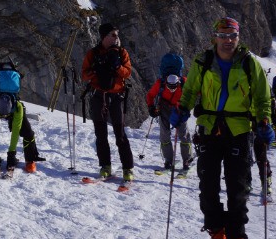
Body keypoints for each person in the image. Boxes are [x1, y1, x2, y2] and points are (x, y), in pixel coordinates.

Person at [173, 17, 271, 239]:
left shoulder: (250, 63)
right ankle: (217, 236)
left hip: (239, 130)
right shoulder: (203, 61)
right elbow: (191, 88)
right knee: (207, 186)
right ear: (214, 36)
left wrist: (264, 122)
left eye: (233, 36)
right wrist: (182, 108)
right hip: (209, 129)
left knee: (238, 188)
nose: (228, 41)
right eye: (223, 35)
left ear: (239, 38)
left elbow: (262, 96)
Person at [81, 23, 135, 181]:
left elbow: (127, 73)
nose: (116, 37)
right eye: (113, 34)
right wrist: (96, 69)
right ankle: (105, 166)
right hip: (99, 96)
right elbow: (84, 74)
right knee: (101, 134)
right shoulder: (93, 53)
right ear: (104, 36)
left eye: (117, 34)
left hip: (116, 97)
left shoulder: (122, 52)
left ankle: (128, 168)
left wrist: (116, 65)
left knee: (120, 135)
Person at [0, 62, 43, 174]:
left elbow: (16, 131)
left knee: (27, 131)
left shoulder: (18, 108)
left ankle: (30, 161)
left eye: (6, 115)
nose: (4, 117)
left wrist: (12, 153)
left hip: (10, 108)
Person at [145, 72, 193, 171]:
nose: (171, 88)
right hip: (164, 107)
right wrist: (151, 107)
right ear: (166, 82)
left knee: (183, 134)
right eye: (169, 86)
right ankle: (168, 160)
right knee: (164, 134)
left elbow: (195, 92)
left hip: (179, 108)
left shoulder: (184, 82)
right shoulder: (160, 83)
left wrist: (188, 107)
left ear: (178, 82)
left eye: (174, 86)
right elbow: (150, 95)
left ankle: (187, 159)